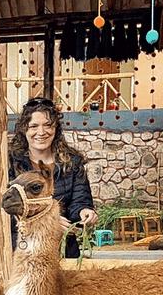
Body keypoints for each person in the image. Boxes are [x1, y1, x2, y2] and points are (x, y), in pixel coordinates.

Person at [8, 97, 97, 258]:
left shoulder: (72, 162)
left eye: (48, 125)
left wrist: (84, 211)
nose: (41, 132)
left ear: (56, 128)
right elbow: (6, 210)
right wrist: (48, 223)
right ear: (24, 129)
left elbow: (79, 202)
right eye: (34, 126)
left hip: (64, 250)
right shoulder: (11, 163)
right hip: (25, 249)